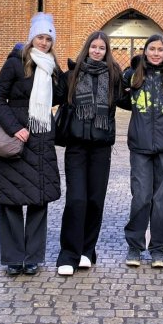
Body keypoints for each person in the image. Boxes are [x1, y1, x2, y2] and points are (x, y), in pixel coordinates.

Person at [0, 12, 63, 276]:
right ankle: (12, 257)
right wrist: (15, 127)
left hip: (41, 137)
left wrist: (66, 71)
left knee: (38, 199)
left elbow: (63, 94)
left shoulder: (51, 65)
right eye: (40, 37)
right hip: (17, 137)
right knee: (11, 200)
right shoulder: (15, 63)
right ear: (32, 38)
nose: (44, 43)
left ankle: (32, 257)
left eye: (48, 39)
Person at [55, 31, 123, 276]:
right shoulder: (72, 75)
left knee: (95, 200)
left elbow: (129, 97)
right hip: (76, 146)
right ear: (87, 48)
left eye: (101, 48)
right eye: (93, 47)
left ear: (106, 52)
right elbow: (53, 94)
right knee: (77, 200)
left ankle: (87, 250)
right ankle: (68, 254)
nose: (97, 51)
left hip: (101, 147)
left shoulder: (114, 77)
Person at [117, 33, 163, 268]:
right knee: (141, 197)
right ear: (145, 51)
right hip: (140, 146)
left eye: (160, 50)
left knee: (162, 199)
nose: (156, 53)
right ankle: (135, 246)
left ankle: (159, 249)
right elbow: (120, 99)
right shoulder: (133, 77)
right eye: (151, 49)